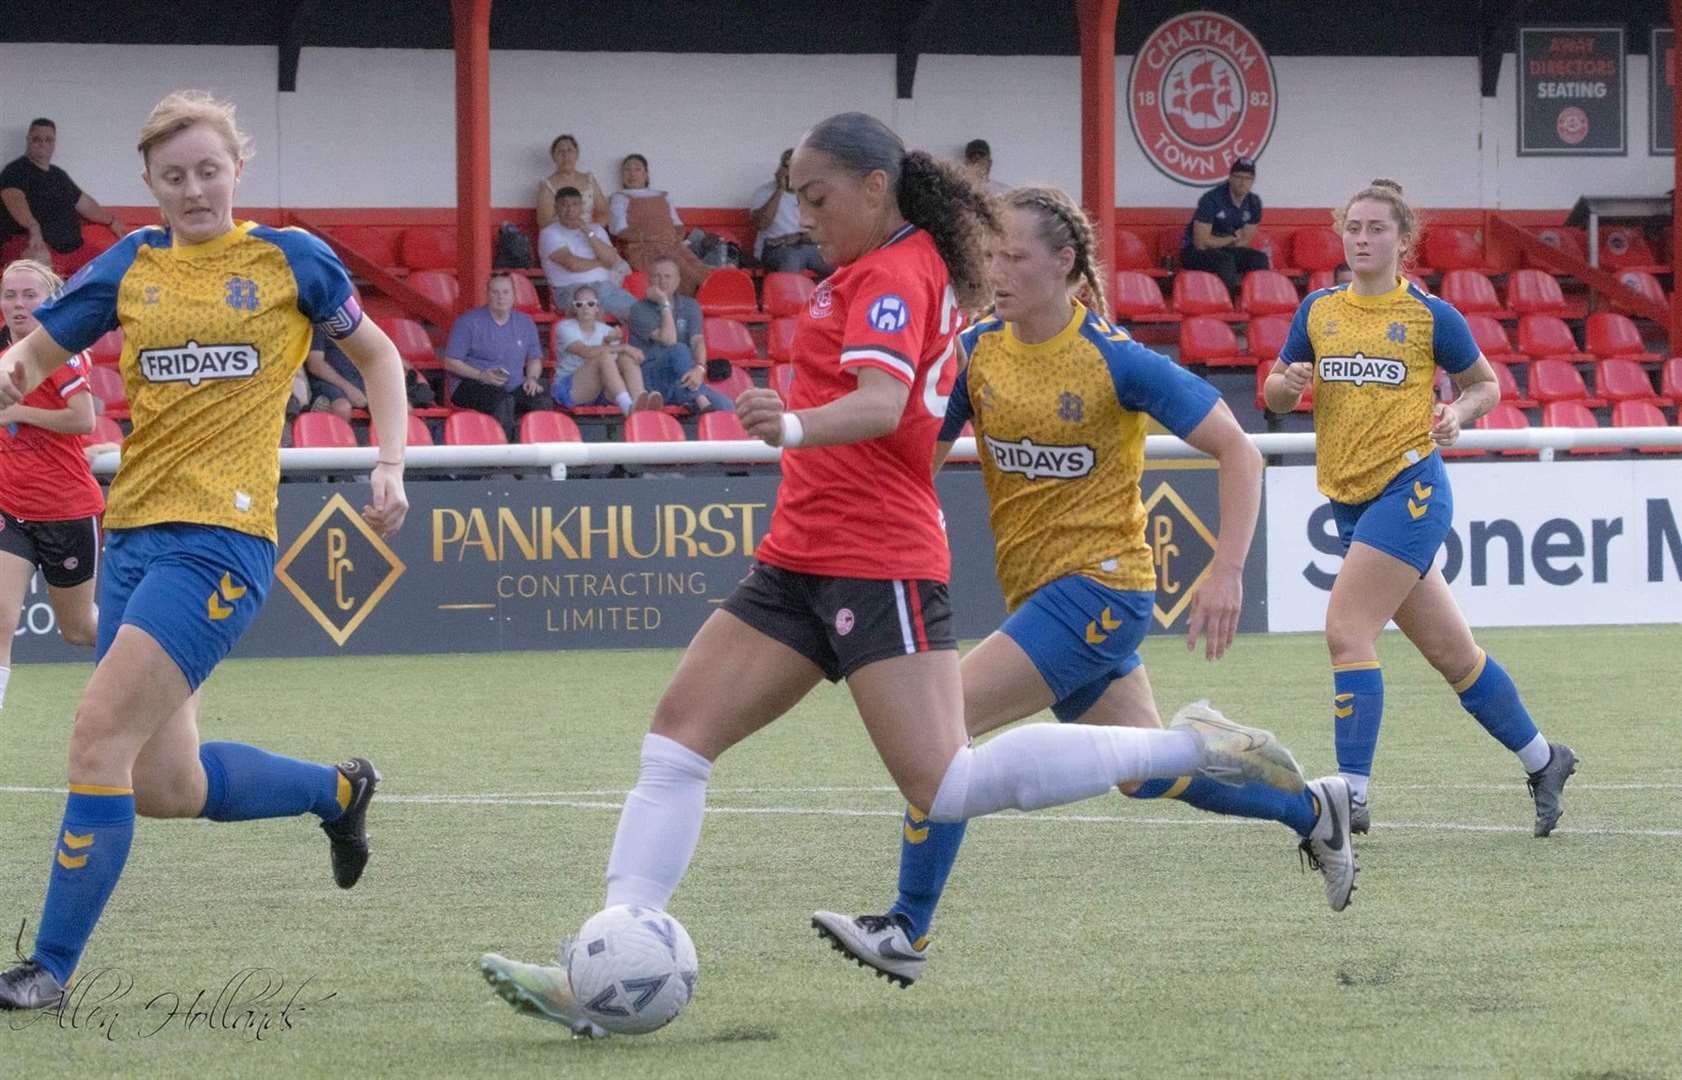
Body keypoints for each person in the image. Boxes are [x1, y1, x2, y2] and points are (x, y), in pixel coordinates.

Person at [477, 112, 1304, 1036]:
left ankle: (1194, 749)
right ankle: (601, 971)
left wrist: (787, 425)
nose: (804, 217)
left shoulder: (897, 275)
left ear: (877, 189)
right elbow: (917, 421)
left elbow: (878, 405)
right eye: (797, 199)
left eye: (819, 198)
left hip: (877, 563)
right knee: (676, 742)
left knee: (943, 784)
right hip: (798, 554)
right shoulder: (873, 278)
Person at [811, 187, 1358, 986]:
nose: (994, 270)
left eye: (1014, 256)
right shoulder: (976, 353)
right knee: (1144, 774)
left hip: (1103, 591)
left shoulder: (1116, 358)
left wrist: (1227, 566)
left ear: (1064, 263)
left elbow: (1239, 453)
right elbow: (911, 466)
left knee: (942, 726)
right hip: (1045, 599)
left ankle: (906, 929)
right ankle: (1311, 808)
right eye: (990, 255)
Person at [0, 90, 410, 1011]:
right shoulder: (130, 265)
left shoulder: (290, 259)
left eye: (208, 171)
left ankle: (50, 969)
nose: (194, 190)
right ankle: (338, 792)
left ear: (237, 169)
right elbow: (31, 360)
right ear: (148, 184)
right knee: (165, 785)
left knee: (97, 734)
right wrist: (10, 376)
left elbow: (380, 357)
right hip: (136, 536)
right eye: (173, 176)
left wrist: (390, 462)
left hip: (222, 541)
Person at [1262, 178, 1577, 838]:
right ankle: (1545, 759)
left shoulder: (1432, 317)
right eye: (1353, 227)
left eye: (1377, 228)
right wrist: (1284, 385)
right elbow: (1277, 394)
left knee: (1347, 631)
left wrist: (1457, 413)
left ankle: (1350, 795)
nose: (1362, 238)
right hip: (1350, 502)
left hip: (1411, 491)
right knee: (1453, 656)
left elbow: (1485, 384)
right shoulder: (1318, 311)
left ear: (1404, 242)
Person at [0, 259, 102, 707]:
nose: (18, 305)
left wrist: (18, 411)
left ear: (52, 300)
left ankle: (158, 657)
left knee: (79, 630)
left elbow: (84, 419)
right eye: (10, 295)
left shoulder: (61, 350)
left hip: (66, 511)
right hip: (9, 509)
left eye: (29, 295)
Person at [0, 119, 129, 277]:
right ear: (28, 140)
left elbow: (86, 204)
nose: (43, 143)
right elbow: (14, 199)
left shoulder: (59, 176)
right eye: (37, 139)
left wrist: (111, 221)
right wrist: (33, 228)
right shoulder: (16, 170)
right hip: (31, 244)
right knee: (38, 266)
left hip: (74, 249)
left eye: (48, 140)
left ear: (54, 143)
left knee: (115, 267)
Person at [443, 272, 549, 436]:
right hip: (472, 383)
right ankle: (503, 458)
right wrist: (481, 375)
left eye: (506, 292)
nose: (501, 297)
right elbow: (450, 362)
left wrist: (532, 379)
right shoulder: (467, 322)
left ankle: (541, 458)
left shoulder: (526, 323)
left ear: (514, 295)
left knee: (541, 400)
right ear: (487, 294)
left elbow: (534, 358)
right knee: (502, 402)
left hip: (514, 384)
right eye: (495, 292)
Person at [626, 256, 732, 414]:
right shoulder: (638, 309)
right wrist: (664, 303)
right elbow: (669, 340)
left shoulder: (690, 305)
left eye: (668, 276)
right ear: (649, 280)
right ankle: (700, 400)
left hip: (681, 379)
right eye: (657, 276)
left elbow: (697, 340)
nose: (662, 281)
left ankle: (695, 398)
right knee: (679, 349)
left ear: (678, 280)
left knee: (726, 406)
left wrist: (700, 369)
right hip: (652, 380)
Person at [607, 153, 710, 294]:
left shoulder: (663, 196)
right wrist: (651, 238)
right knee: (676, 269)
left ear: (646, 174)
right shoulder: (620, 197)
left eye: (637, 169)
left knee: (697, 269)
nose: (632, 174)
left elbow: (677, 223)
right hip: (642, 249)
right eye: (627, 170)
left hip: (670, 244)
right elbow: (617, 229)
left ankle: (707, 303)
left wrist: (673, 238)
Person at [551, 284, 662, 415]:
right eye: (579, 304)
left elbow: (611, 366)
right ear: (574, 308)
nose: (585, 307)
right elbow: (586, 352)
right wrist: (624, 346)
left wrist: (610, 343)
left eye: (591, 303)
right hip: (569, 388)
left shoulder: (607, 330)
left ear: (598, 307)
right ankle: (627, 407)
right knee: (606, 356)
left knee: (625, 358)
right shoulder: (565, 327)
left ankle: (639, 401)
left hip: (599, 389)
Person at [539, 188, 636, 320]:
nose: (569, 209)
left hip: (606, 288)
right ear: (556, 208)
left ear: (582, 207)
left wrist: (587, 231)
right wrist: (601, 262)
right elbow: (573, 264)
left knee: (642, 314)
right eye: (564, 204)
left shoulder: (596, 229)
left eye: (575, 204)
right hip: (570, 291)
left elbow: (612, 260)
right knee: (592, 309)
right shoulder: (549, 233)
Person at [1179, 157, 1269, 296]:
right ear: (1230, 178)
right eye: (1239, 177)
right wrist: (1231, 238)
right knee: (1225, 261)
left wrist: (1224, 242)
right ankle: (1229, 309)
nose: (1243, 182)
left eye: (1248, 178)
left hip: (1226, 250)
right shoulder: (1211, 199)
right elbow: (1201, 243)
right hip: (1193, 253)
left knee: (1259, 259)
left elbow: (1245, 241)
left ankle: (1257, 303)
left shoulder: (1254, 202)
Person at [307, 325, 436, 422]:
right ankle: (338, 453)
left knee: (403, 407)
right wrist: (349, 389)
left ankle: (388, 454)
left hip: (362, 380)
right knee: (342, 407)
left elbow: (380, 352)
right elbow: (315, 365)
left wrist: (395, 361)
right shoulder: (319, 326)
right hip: (332, 382)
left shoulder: (360, 327)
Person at [751, 147, 832, 275]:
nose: (791, 172)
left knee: (841, 261)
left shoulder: (812, 193)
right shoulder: (765, 191)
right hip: (774, 248)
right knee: (791, 257)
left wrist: (798, 238)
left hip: (806, 244)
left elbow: (824, 230)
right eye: (787, 167)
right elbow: (761, 224)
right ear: (781, 168)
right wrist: (779, 190)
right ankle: (789, 295)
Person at [534, 134, 609, 231]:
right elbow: (544, 222)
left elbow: (604, 212)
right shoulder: (547, 185)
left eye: (570, 150)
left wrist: (592, 231)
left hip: (589, 233)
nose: (566, 155)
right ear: (553, 157)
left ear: (577, 154)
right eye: (560, 151)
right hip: (560, 235)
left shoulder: (589, 179)